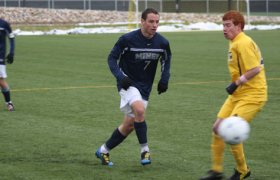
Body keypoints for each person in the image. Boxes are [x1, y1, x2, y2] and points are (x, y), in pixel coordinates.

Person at [95, 8, 171, 166]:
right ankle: (145, 150)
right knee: (140, 111)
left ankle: (103, 150)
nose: (154, 25)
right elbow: (112, 58)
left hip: (145, 87)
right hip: (127, 83)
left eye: (157, 22)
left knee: (130, 125)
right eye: (151, 21)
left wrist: (164, 78)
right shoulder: (127, 39)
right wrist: (120, 77)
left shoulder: (162, 42)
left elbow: (166, 59)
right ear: (142, 22)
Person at [200, 10, 267, 180]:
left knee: (231, 129)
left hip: (253, 94)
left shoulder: (243, 42)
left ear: (239, 26)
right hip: (239, 94)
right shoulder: (234, 41)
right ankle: (216, 171)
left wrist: (236, 82)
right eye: (223, 25)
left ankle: (242, 170)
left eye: (228, 25)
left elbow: (255, 68)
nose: (224, 29)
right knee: (217, 128)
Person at [0, 18, 15, 111]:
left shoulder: (4, 24)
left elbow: (11, 37)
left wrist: (11, 52)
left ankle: (9, 103)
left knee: (1, 80)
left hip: (0, 55)